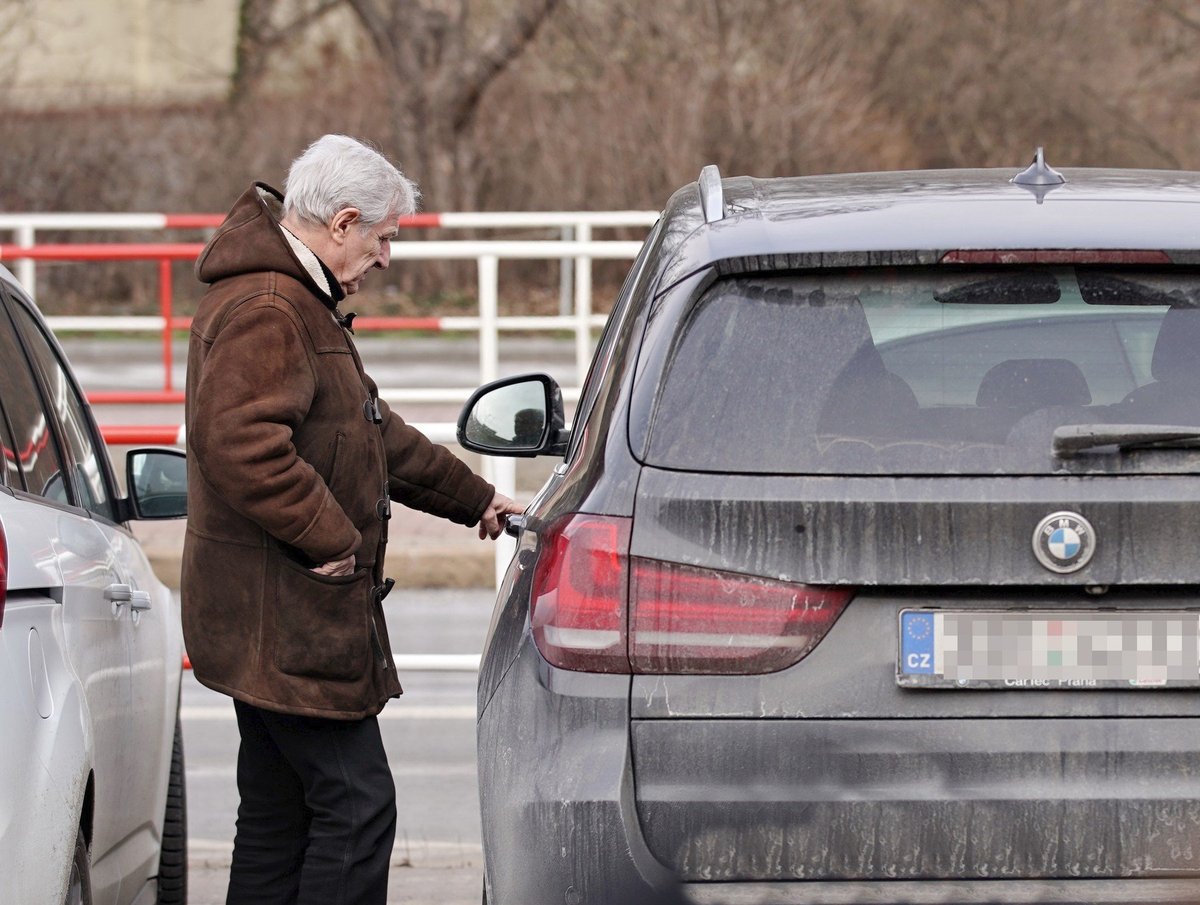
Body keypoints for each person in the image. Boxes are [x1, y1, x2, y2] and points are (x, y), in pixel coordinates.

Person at [181, 134, 522, 905]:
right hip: (288, 619)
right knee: (358, 807)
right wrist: (331, 538)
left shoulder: (293, 299)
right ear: (341, 222)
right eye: (383, 236)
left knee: (278, 815)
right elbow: (239, 443)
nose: (386, 257)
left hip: (267, 620)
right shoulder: (273, 307)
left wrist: (475, 497)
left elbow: (371, 433)